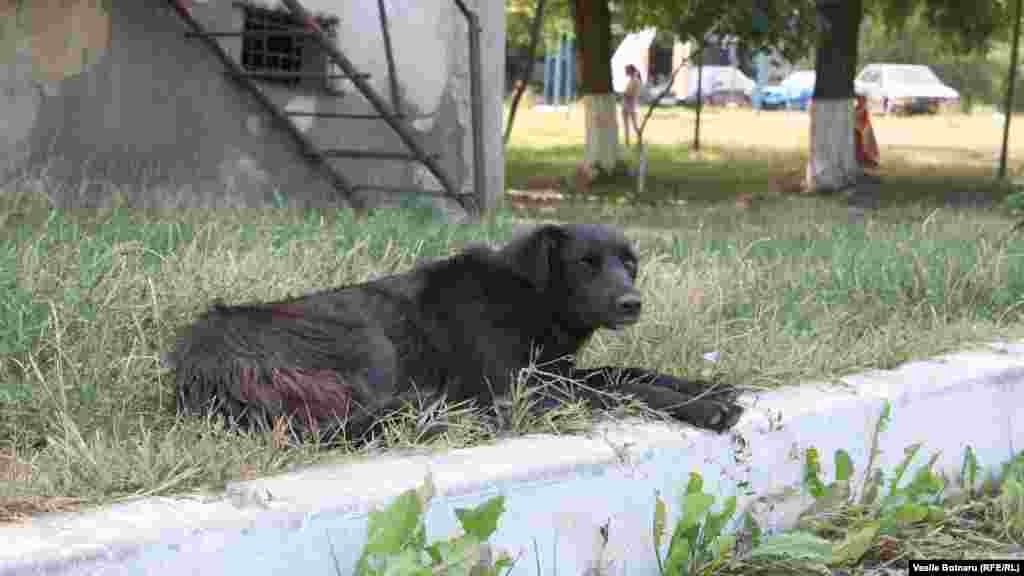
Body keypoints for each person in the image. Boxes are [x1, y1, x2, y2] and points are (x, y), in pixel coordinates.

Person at [622, 64, 642, 147]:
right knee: (627, 125)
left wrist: (624, 94)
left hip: (631, 106)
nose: (625, 72)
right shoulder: (632, 80)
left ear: (630, 71)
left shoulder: (634, 80)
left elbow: (630, 93)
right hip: (627, 105)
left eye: (626, 70)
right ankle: (627, 142)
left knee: (634, 125)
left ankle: (639, 141)